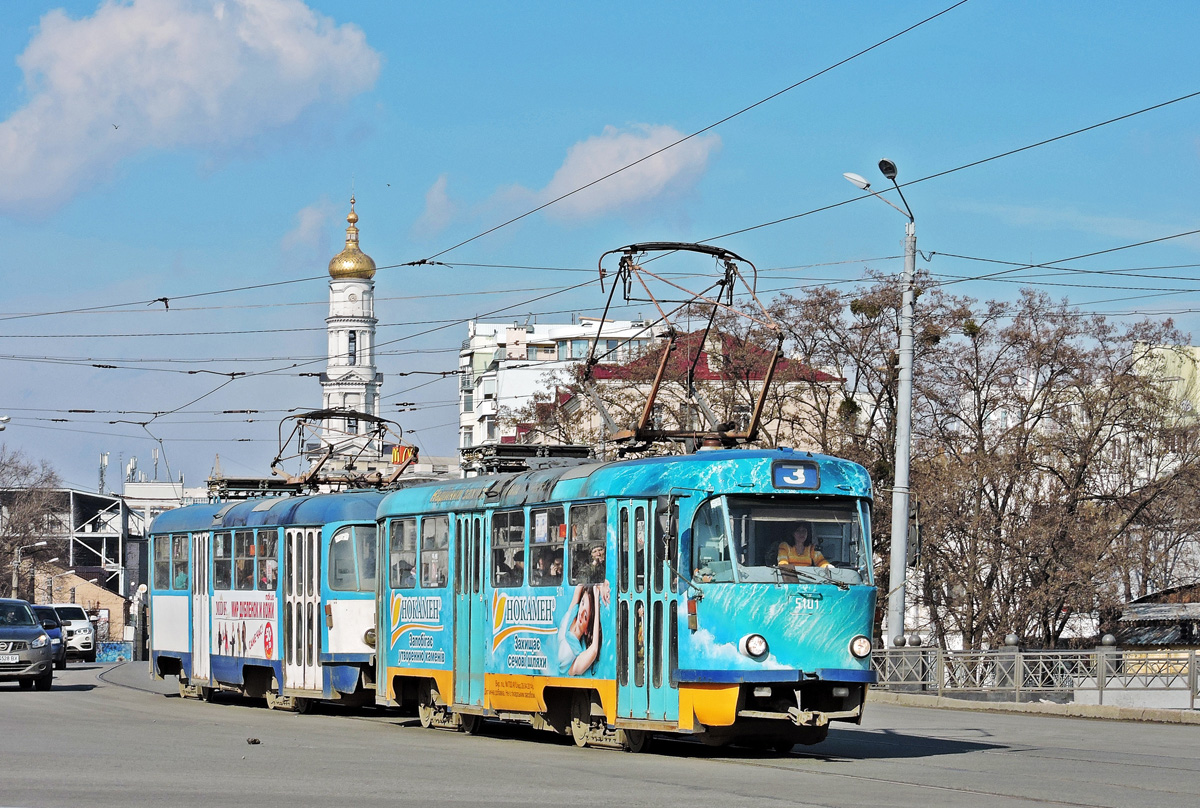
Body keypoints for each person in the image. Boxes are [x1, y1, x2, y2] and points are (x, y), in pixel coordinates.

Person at [556, 581, 610, 676]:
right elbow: (581, 583)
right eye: (582, 603)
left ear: (587, 631)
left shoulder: (576, 654)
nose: (581, 613)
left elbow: (594, 650)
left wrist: (597, 602)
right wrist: (600, 585)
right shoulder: (573, 612)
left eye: (585, 616)